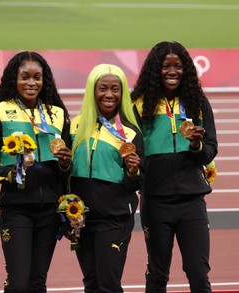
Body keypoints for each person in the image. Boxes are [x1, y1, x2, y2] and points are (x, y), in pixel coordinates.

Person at [131, 41, 218, 292]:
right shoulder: (137, 104)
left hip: (192, 201)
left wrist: (197, 146)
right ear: (153, 70)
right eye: (165, 66)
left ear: (186, 69)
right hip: (155, 201)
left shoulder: (197, 102)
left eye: (178, 66)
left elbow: (211, 149)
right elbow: (130, 149)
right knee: (157, 274)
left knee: (199, 274)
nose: (172, 71)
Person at [0, 51, 72, 293]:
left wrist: (65, 163)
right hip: (17, 208)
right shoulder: (0, 112)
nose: (31, 83)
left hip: (49, 210)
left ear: (45, 80)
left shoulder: (58, 113)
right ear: (14, 78)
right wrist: (10, 174)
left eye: (37, 77)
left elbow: (67, 166)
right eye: (25, 77)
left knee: (37, 281)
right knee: (18, 281)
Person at [69, 64, 144, 293]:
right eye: (103, 88)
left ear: (122, 94)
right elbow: (65, 173)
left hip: (114, 220)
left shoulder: (131, 133)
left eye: (115, 89)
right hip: (82, 219)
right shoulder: (74, 126)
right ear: (92, 90)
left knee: (108, 285)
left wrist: (133, 172)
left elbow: (138, 182)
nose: (109, 95)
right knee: (91, 283)